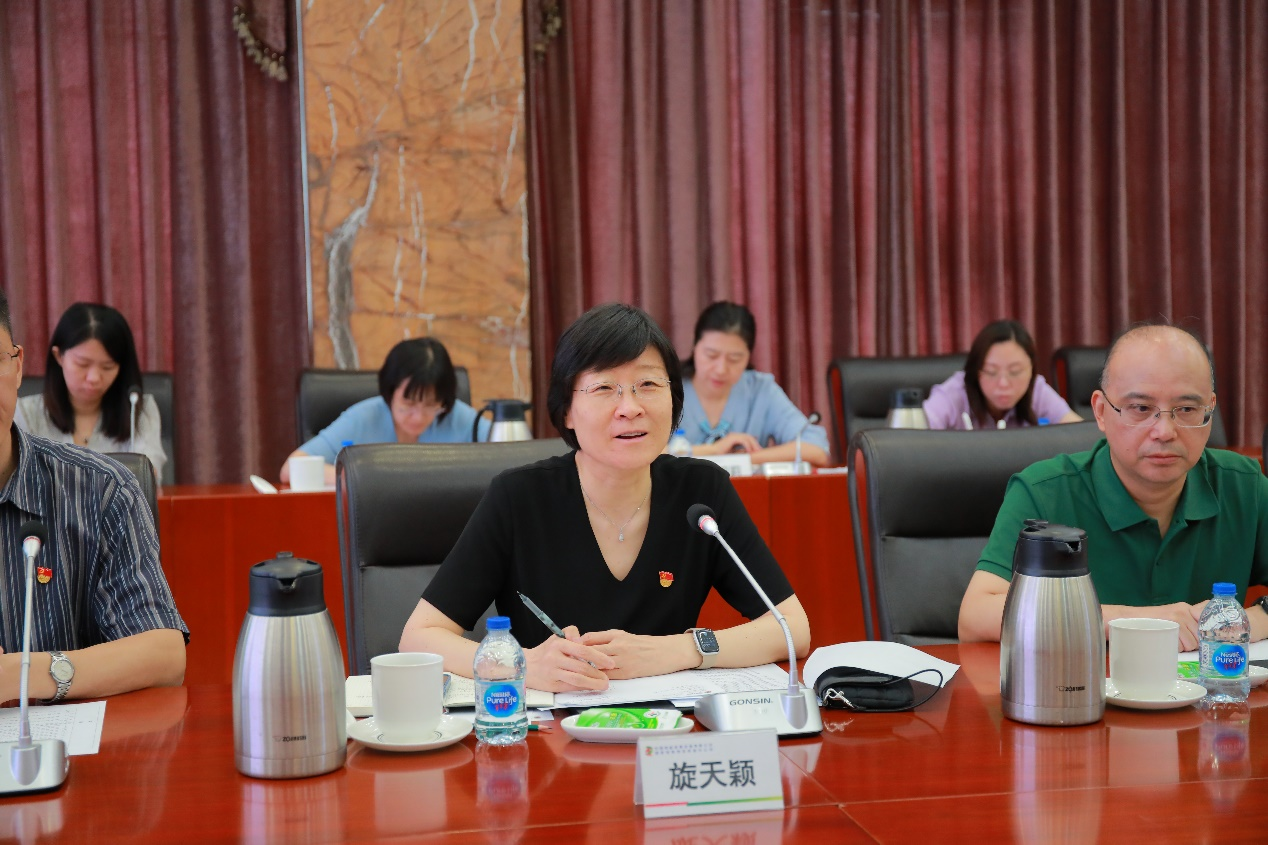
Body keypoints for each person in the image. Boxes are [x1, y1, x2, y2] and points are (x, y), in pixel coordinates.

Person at [400, 303, 811, 692]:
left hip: (670, 729)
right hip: (550, 730)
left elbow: (792, 627)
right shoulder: (519, 498)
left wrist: (678, 650)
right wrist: (523, 664)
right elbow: (419, 637)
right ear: (567, 410)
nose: (629, 407)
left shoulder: (701, 493)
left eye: (647, 384)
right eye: (604, 387)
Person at [958, 324, 1268, 651]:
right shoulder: (1044, 492)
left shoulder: (1244, 485)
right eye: (1141, 409)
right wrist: (1139, 622)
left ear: (1210, 410)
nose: (1165, 431)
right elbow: (975, 616)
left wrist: (1241, 622)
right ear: (1101, 412)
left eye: (1187, 409)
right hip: (1083, 682)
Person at [0, 290, 187, 702]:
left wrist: (22, 673)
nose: (93, 378)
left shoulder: (104, 490)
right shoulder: (35, 411)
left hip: (67, 735)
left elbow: (165, 656)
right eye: (83, 364)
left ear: (17, 366)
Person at [280, 337, 491, 485]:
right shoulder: (363, 418)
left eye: (430, 404)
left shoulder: (457, 416)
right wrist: (360, 479)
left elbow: (508, 456)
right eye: (408, 403)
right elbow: (290, 469)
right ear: (390, 392)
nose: (418, 417)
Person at [14, 303, 166, 481]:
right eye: (83, 364)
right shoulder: (26, 413)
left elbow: (148, 477)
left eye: (107, 366)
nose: (94, 378)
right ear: (59, 356)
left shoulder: (138, 410)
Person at [677, 301, 830, 466]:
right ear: (694, 347)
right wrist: (714, 450)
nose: (721, 369)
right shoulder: (668, 388)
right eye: (711, 355)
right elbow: (655, 452)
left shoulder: (760, 390)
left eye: (734, 359)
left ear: (748, 357)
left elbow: (816, 449)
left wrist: (743, 460)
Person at [923, 319, 1083, 430]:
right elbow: (914, 439)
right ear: (976, 371)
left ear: (1032, 370)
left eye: (1015, 372)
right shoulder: (953, 394)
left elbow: (1078, 432)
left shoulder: (1037, 390)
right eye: (991, 372)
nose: (1003, 383)